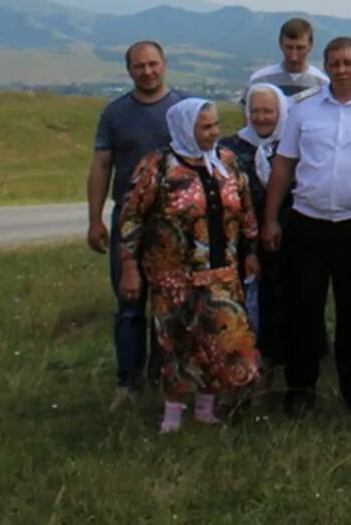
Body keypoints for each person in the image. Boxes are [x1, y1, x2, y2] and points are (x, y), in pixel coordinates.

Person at [262, 37, 351, 416]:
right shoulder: (304, 110)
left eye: (348, 63)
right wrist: (270, 220)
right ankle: (301, 386)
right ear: (325, 67)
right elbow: (284, 165)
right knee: (304, 307)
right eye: (334, 63)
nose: (341, 70)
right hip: (307, 220)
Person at [118, 98, 261, 432]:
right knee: (177, 342)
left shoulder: (227, 162)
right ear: (184, 128)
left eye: (215, 125)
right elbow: (131, 218)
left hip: (222, 271)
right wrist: (129, 266)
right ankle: (173, 415)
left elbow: (246, 210)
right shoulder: (158, 166)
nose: (215, 133)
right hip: (172, 275)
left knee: (226, 340)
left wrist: (251, 249)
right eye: (206, 127)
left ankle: (209, 408)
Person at [87, 41, 185, 401]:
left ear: (164, 64)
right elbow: (101, 166)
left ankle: (163, 377)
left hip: (174, 223)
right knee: (129, 304)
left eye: (153, 64)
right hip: (128, 223)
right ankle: (128, 382)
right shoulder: (115, 114)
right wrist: (94, 219)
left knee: (168, 303)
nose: (147, 71)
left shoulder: (184, 108)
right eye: (139, 66)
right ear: (129, 70)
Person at [220, 84, 291, 371]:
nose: (261, 117)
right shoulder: (228, 148)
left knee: (285, 295)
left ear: (281, 112)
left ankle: (282, 356)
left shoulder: (293, 144)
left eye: (268, 111)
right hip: (241, 237)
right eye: (255, 111)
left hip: (288, 232)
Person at [243, 17, 329, 106]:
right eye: (289, 48)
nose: (293, 56)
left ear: (310, 46)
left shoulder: (323, 84)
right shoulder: (259, 81)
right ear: (280, 44)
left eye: (300, 48)